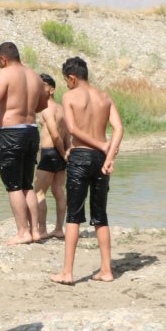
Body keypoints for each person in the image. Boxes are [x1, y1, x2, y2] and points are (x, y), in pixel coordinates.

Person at [50, 57, 124, 285]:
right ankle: (106, 270)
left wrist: (101, 146)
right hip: (102, 160)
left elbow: (72, 128)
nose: (66, 85)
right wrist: (108, 155)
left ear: (72, 78)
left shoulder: (70, 96)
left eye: (66, 81)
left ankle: (67, 272)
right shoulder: (104, 96)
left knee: (74, 215)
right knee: (100, 215)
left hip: (81, 157)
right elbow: (119, 128)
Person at [0, 42, 47, 245]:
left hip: (11, 133)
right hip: (31, 131)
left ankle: (23, 233)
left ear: (3, 59)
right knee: (26, 184)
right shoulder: (34, 76)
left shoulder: (5, 74)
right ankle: (36, 231)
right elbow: (43, 104)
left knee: (13, 186)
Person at [33, 73, 69, 240]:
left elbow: (55, 135)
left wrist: (62, 152)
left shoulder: (47, 108)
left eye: (43, 85)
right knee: (58, 191)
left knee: (39, 192)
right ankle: (59, 229)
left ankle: (41, 230)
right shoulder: (61, 108)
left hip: (50, 152)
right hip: (60, 154)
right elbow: (67, 133)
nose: (39, 88)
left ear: (52, 89)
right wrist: (66, 152)